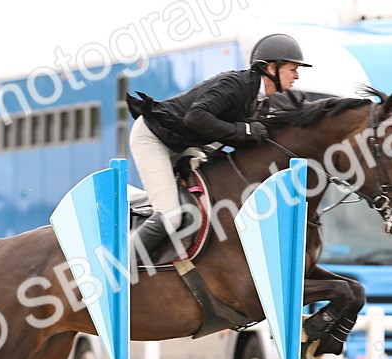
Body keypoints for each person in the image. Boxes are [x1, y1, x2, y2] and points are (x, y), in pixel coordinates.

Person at [126, 33, 311, 258]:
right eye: (293, 69)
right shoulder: (235, 84)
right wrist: (245, 130)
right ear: (271, 68)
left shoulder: (260, 102)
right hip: (153, 137)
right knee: (171, 215)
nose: (297, 76)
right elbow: (195, 117)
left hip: (184, 143)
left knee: (213, 196)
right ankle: (118, 269)